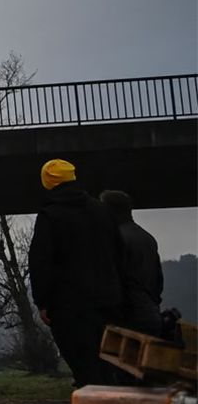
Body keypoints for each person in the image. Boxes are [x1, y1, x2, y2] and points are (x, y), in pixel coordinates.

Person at [28, 159, 127, 386]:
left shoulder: (50, 215)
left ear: (47, 182)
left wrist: (42, 301)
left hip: (69, 307)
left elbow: (41, 261)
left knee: (83, 367)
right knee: (107, 366)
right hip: (107, 302)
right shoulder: (102, 211)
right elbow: (119, 253)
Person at [100, 189, 164, 334]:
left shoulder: (115, 239)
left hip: (125, 319)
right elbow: (158, 281)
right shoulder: (147, 238)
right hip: (150, 314)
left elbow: (111, 281)